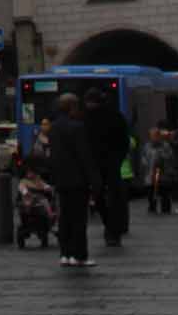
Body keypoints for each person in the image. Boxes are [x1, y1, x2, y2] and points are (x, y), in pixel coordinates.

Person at [46, 94, 101, 269]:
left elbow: (53, 156)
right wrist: (94, 179)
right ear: (72, 108)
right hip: (78, 180)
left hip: (61, 180)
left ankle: (65, 254)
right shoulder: (77, 127)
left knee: (65, 217)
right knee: (78, 219)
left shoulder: (54, 128)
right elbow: (84, 156)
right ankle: (79, 255)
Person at [83, 90, 130, 247]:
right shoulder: (115, 116)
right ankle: (113, 229)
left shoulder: (89, 118)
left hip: (101, 164)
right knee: (110, 197)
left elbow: (123, 141)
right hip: (108, 164)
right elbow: (124, 141)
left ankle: (111, 228)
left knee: (101, 197)